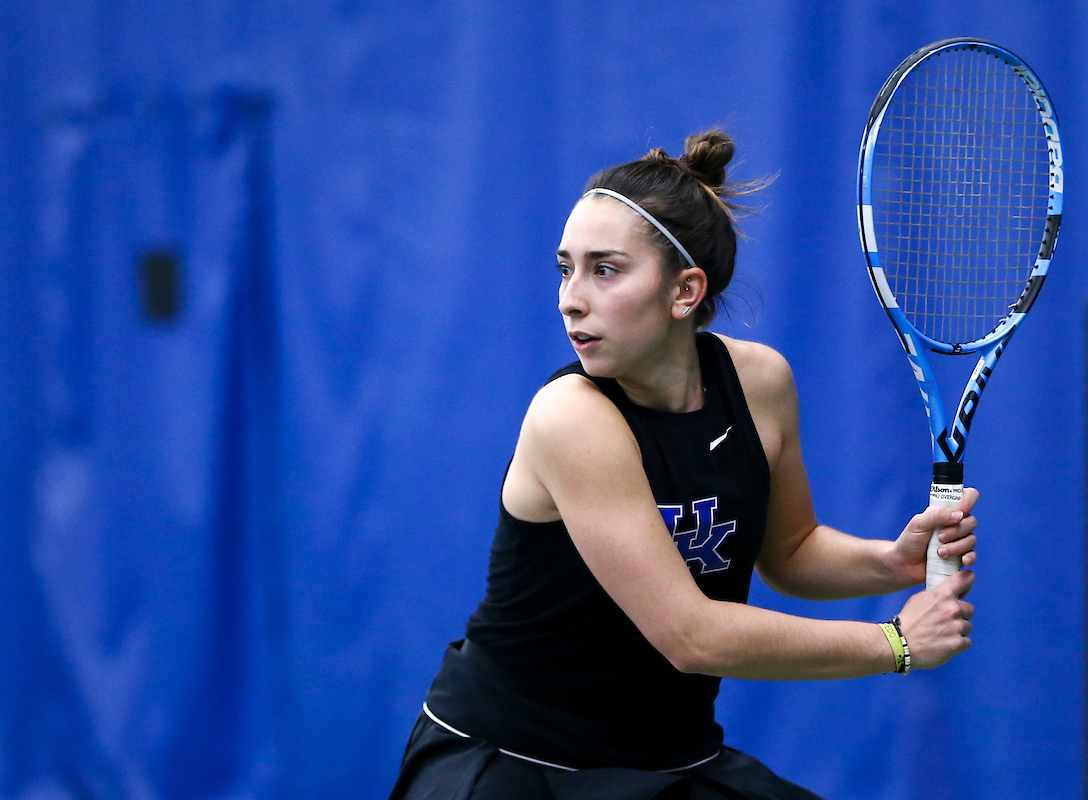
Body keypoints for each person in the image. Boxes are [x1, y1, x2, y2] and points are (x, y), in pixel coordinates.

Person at [388, 131, 977, 800]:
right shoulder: (571, 419)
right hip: (513, 764)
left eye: (604, 269)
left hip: (666, 760)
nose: (570, 298)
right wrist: (894, 644)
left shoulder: (760, 384)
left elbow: (788, 550)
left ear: (684, 291)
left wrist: (890, 563)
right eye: (565, 268)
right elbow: (692, 637)